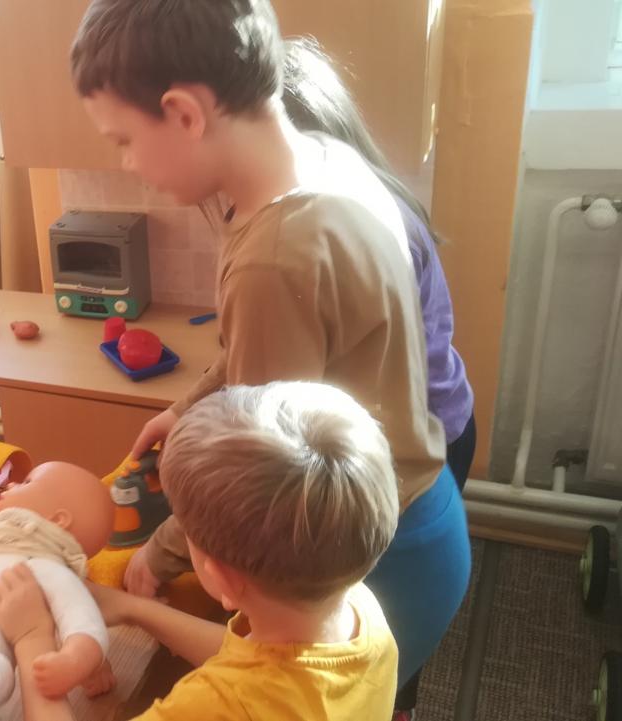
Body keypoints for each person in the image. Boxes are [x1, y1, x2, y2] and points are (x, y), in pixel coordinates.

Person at [69, 0, 470, 694]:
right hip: (417, 515)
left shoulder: (274, 257)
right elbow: (276, 345)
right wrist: (186, 406)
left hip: (374, 560)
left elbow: (252, 481)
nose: (129, 163)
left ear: (184, 113)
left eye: (124, 140)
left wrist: (159, 556)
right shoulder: (324, 163)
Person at [0, 383, 401, 720]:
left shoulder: (216, 704)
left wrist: (31, 638)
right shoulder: (356, 606)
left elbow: (249, 682)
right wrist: (135, 610)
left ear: (220, 579)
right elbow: (254, 657)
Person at [280, 36, 478, 716]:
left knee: (381, 613)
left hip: (426, 433)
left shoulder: (346, 223)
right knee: (391, 616)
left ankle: (393, 698)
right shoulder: (374, 200)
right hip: (446, 420)